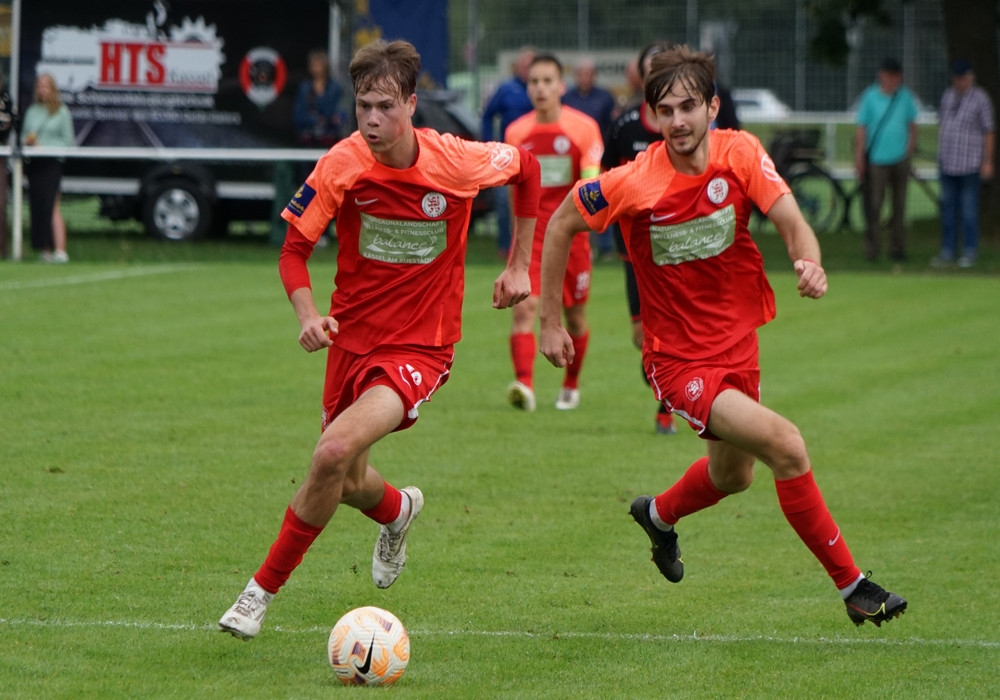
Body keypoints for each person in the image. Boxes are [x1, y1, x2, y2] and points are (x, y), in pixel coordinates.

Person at [539, 45, 907, 627]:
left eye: (689, 106)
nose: (678, 120)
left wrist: (809, 261)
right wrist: (550, 321)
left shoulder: (741, 153)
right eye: (666, 110)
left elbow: (791, 221)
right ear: (651, 116)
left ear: (712, 106)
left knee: (733, 476)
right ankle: (853, 586)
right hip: (678, 362)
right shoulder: (635, 181)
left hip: (738, 344)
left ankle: (657, 515)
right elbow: (561, 221)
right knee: (786, 445)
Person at [218, 39, 541, 640]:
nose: (371, 119)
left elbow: (528, 169)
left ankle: (256, 595)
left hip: (422, 346)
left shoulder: (458, 160)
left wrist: (522, 264)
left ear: (412, 104)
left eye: (385, 106)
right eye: (363, 105)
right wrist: (308, 314)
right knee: (345, 480)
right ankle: (398, 511)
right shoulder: (342, 164)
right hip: (350, 342)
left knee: (331, 454)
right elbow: (293, 251)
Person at [503, 52, 603, 412]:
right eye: (534, 81)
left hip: (572, 237)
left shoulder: (584, 128)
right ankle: (524, 386)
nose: (540, 88)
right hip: (532, 235)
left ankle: (570, 385)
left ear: (562, 86)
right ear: (526, 87)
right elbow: (514, 190)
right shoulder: (516, 133)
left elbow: (592, 183)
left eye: (548, 81)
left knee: (574, 316)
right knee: (524, 308)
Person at [602, 41, 676, 435]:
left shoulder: (686, 129)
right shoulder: (625, 124)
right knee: (642, 337)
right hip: (634, 250)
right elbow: (605, 180)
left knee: (671, 330)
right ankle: (665, 379)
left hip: (680, 246)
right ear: (641, 75)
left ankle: (666, 410)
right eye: (651, 68)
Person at [932, 58, 995, 268]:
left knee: (968, 210)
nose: (958, 82)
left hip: (969, 164)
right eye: (955, 78)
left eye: (962, 78)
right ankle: (948, 250)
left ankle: (969, 250)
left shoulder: (981, 99)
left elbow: (988, 131)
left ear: (970, 78)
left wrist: (987, 161)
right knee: (948, 210)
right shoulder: (948, 96)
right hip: (948, 162)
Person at [854, 57, 918, 262]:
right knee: (874, 206)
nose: (891, 80)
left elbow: (912, 125)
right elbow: (862, 129)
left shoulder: (905, 97)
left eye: (895, 76)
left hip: (900, 158)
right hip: (877, 159)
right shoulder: (870, 97)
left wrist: (909, 150)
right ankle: (873, 248)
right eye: (888, 75)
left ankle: (897, 248)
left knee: (899, 206)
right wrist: (859, 156)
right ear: (881, 75)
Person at [481, 46, 536, 259]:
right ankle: (505, 247)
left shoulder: (541, 89)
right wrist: (489, 143)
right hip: (509, 155)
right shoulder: (506, 89)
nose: (527, 70)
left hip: (538, 154)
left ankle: (534, 246)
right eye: (524, 65)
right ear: (517, 67)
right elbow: (487, 115)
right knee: (505, 203)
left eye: (531, 66)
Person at [563, 57, 618, 262]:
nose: (585, 77)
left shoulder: (605, 98)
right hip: (571, 158)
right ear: (576, 75)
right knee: (573, 199)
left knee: (600, 196)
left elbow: (611, 127)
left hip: (598, 157)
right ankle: (577, 243)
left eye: (588, 73)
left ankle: (605, 247)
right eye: (581, 73)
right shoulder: (567, 98)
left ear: (594, 75)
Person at [21, 73, 75, 263]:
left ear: (53, 89)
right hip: (35, 163)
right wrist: (28, 142)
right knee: (38, 206)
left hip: (52, 163)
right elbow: (24, 136)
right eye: (40, 86)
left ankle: (60, 251)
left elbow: (69, 142)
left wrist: (47, 147)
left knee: (52, 205)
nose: (43, 90)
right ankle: (45, 250)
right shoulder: (32, 111)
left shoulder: (62, 112)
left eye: (46, 86)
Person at [293, 48, 345, 148]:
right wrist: (316, 120)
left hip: (330, 139)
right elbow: (298, 116)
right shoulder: (304, 88)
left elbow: (340, 115)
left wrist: (331, 119)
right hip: (307, 139)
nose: (316, 69)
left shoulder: (335, 88)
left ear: (325, 67)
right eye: (313, 65)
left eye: (319, 65)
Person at [0, 70, 14, 260]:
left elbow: (11, 125)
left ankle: (2, 250)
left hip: (1, 156)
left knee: (0, 205)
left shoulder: (7, 101)